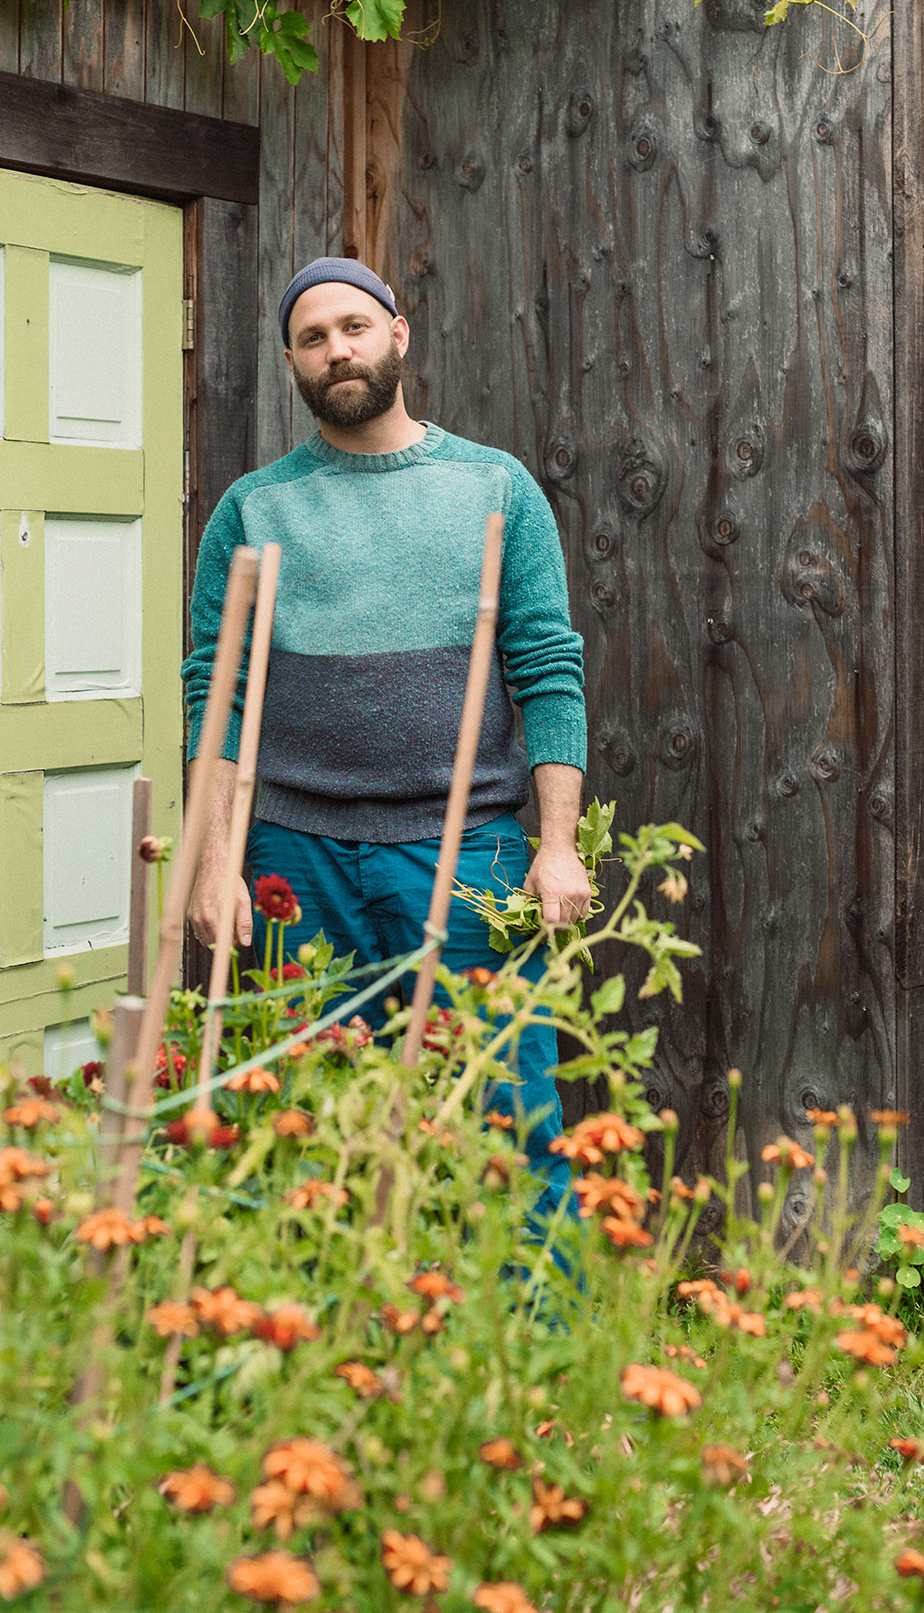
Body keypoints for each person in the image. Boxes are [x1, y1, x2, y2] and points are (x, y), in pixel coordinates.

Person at [182, 257, 590, 1210]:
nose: (339, 350)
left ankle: (531, 1346)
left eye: (356, 327)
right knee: (310, 1125)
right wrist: (213, 861)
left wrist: (559, 846)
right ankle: (343, 1344)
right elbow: (219, 691)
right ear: (292, 360)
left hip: (466, 852)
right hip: (296, 858)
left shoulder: (495, 488)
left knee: (507, 1114)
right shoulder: (255, 508)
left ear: (399, 334)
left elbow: (548, 668)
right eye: (314, 337)